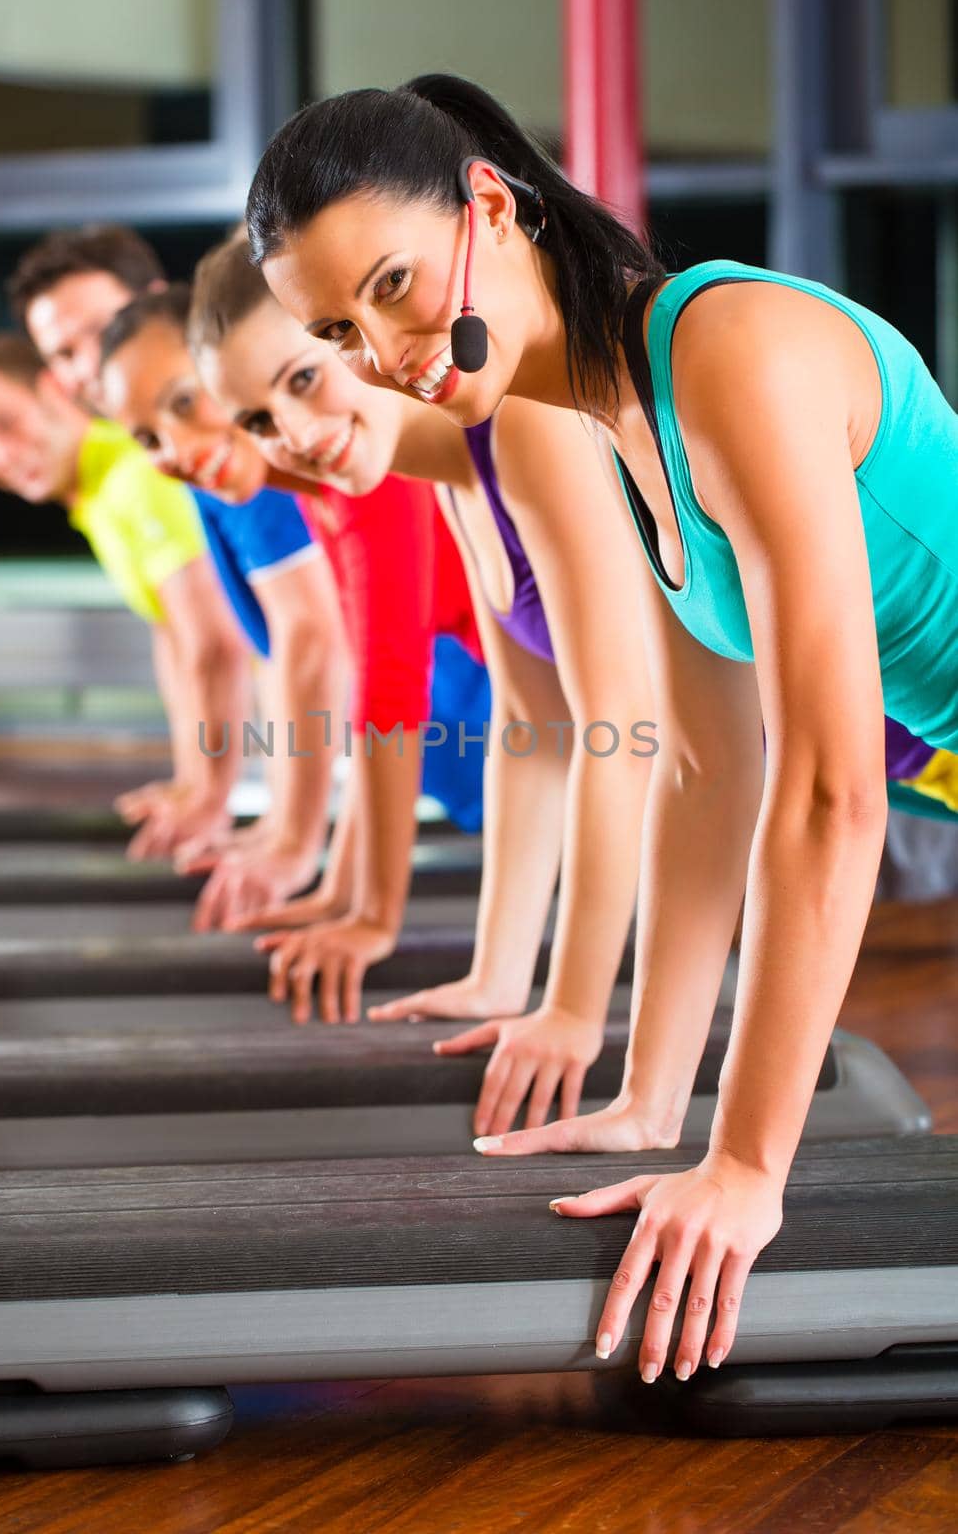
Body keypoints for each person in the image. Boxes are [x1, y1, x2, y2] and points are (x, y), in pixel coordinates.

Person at [244, 72, 958, 1382]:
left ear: (488, 203)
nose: (383, 355)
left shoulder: (724, 352)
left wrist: (744, 1163)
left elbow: (826, 791)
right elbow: (704, 773)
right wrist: (650, 1092)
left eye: (390, 286)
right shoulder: (624, 431)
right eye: (338, 331)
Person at [178, 238, 653, 1136]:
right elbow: (535, 729)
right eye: (257, 420)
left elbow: (617, 737)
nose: (295, 436)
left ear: (355, 340)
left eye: (303, 381)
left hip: (912, 730)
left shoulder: (520, 423)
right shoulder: (451, 468)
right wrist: (499, 975)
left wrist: (574, 1013)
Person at [95, 270, 497, 1028]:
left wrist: (370, 911)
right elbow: (370, 692)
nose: (177, 448)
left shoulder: (363, 470)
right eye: (148, 436)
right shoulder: (326, 487)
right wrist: (341, 890)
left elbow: (381, 685)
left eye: (186, 404)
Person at [9, 225, 347, 920]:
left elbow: (306, 638)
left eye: (99, 328)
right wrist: (257, 816)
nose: (88, 361)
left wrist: (289, 836)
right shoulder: (188, 461)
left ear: (158, 305)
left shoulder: (243, 442)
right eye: (62, 353)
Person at [0, 332, 248, 857]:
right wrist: (189, 784)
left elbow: (216, 644)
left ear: (52, 390)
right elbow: (175, 636)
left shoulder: (134, 476)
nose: (0, 455)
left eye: (6, 422)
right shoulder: (97, 495)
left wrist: (212, 797)